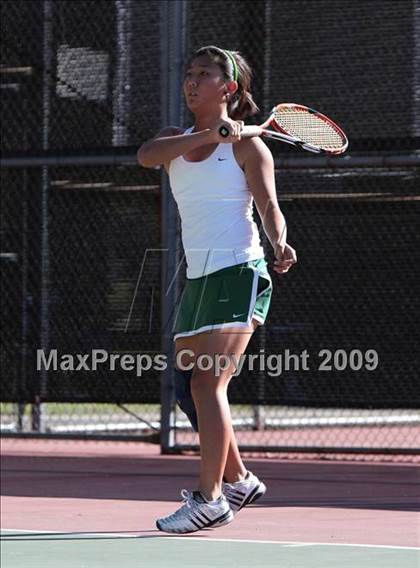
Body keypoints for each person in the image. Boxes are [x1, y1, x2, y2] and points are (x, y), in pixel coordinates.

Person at [138, 45, 297, 534]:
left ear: (228, 88)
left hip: (240, 270)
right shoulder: (175, 138)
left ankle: (210, 499)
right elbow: (148, 157)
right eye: (189, 73)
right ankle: (240, 478)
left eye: (204, 74)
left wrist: (280, 241)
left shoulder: (250, 147)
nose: (191, 81)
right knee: (189, 389)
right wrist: (211, 132)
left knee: (209, 382)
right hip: (199, 278)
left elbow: (269, 206)